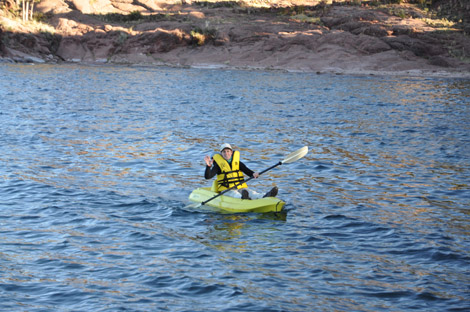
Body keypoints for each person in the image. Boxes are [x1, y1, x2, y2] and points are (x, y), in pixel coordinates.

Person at [204, 143, 278, 200]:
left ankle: (265, 195)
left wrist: (254, 174)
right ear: (221, 154)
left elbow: (247, 171)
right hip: (226, 190)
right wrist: (208, 166)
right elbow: (208, 177)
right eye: (224, 152)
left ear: (231, 152)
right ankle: (243, 198)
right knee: (235, 194)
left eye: (228, 151)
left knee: (252, 193)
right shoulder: (218, 166)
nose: (226, 153)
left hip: (239, 187)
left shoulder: (237, 163)